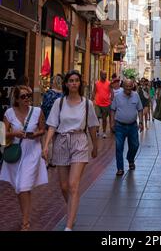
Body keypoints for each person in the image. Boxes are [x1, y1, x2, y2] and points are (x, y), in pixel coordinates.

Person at [42, 70, 98, 231]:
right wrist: (46, 145)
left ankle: (68, 226)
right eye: (71, 81)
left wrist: (95, 146)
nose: (73, 83)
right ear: (66, 84)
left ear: (80, 84)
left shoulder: (87, 104)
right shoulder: (59, 103)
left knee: (73, 185)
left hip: (79, 141)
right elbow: (52, 125)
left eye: (76, 80)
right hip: (61, 141)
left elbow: (93, 126)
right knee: (64, 186)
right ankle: (72, 209)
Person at [0, 85, 47, 231]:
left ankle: (25, 222)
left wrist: (35, 135)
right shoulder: (9, 113)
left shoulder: (37, 111)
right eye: (23, 96)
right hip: (16, 152)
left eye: (29, 96)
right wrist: (14, 134)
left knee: (23, 186)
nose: (27, 99)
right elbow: (2, 136)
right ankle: (25, 216)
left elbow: (42, 129)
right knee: (19, 187)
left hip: (32, 151)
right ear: (17, 99)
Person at [110, 79, 144, 176]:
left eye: (130, 86)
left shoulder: (136, 95)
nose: (128, 88)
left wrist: (141, 122)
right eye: (126, 86)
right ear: (123, 87)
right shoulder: (118, 96)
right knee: (119, 147)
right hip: (120, 126)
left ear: (132, 86)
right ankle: (120, 168)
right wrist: (112, 123)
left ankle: (130, 159)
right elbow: (112, 110)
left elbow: (140, 109)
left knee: (135, 145)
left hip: (133, 125)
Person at [93, 71, 113, 138]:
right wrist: (92, 100)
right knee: (97, 118)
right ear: (100, 75)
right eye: (103, 74)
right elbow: (94, 92)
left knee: (104, 119)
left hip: (106, 104)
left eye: (106, 74)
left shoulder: (109, 83)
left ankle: (104, 132)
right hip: (98, 103)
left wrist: (111, 100)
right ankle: (97, 131)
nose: (105, 76)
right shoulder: (96, 83)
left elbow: (112, 92)